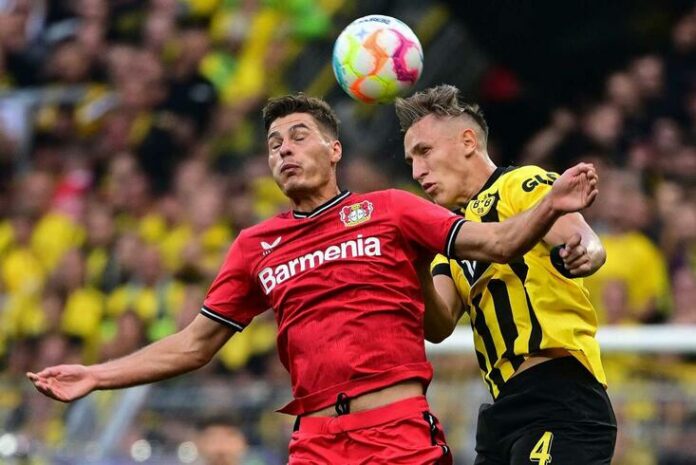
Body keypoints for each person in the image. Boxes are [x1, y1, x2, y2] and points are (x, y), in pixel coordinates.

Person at [28, 93, 599, 464]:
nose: (283, 150)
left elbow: (498, 243)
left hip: (399, 434)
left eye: (298, 136)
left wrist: (553, 208)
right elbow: (195, 344)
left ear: (335, 148)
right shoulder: (256, 246)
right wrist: (99, 375)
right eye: (273, 144)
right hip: (315, 444)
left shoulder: (395, 210)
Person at [395, 84, 616, 465]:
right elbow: (439, 324)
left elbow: (583, 239)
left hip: (560, 393)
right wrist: (415, 264)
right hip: (502, 412)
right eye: (411, 160)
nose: (417, 171)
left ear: (467, 141)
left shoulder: (519, 184)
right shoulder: (452, 237)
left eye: (425, 152)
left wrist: (586, 253)